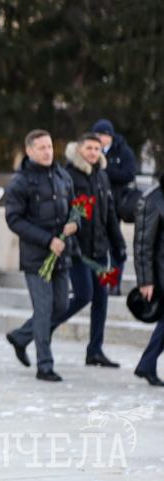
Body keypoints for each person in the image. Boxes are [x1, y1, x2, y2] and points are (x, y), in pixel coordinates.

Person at [4, 130, 78, 382]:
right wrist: (48, 240)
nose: (48, 152)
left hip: (61, 256)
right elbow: (14, 219)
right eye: (42, 148)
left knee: (61, 306)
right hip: (36, 258)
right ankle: (44, 365)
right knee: (44, 309)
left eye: (49, 146)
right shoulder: (20, 181)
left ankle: (21, 336)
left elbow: (74, 208)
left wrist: (74, 224)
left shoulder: (62, 176)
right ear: (30, 151)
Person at [49, 133, 126, 367]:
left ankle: (95, 351)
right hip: (77, 250)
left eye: (96, 148)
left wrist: (119, 244)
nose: (93, 152)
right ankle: (44, 327)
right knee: (84, 295)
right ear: (79, 149)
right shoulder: (68, 175)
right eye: (89, 148)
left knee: (101, 300)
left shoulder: (102, 176)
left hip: (100, 250)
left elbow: (110, 214)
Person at [92, 118, 137, 295]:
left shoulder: (123, 151)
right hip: (95, 203)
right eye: (96, 135)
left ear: (109, 136)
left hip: (115, 205)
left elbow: (129, 174)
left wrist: (106, 171)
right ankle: (97, 282)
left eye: (101, 135)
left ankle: (114, 283)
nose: (99, 138)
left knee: (115, 245)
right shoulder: (92, 150)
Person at [132, 172, 164, 386]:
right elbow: (143, 243)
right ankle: (147, 364)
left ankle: (147, 364)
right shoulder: (153, 199)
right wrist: (145, 280)